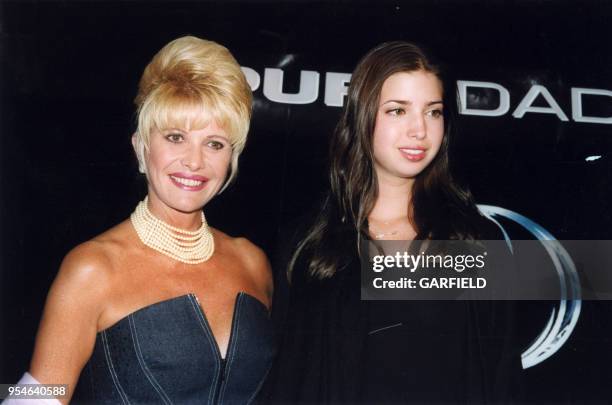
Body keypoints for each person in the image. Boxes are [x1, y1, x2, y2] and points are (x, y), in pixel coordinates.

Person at [11, 36, 274, 404]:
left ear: (232, 157)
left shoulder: (253, 263)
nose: (194, 161)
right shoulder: (92, 268)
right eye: (175, 137)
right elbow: (37, 394)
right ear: (141, 146)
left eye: (215, 143)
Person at [262, 41, 520, 403]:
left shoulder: (477, 240)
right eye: (398, 111)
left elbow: (501, 379)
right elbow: (287, 384)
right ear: (363, 116)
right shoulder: (309, 244)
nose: (419, 130)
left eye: (433, 112)